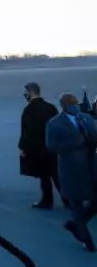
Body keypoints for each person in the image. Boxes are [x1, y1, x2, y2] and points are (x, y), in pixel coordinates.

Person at [45, 93, 97, 252]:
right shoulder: (54, 124)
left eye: (75, 103)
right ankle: (86, 239)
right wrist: (75, 143)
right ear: (63, 106)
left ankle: (75, 224)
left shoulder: (86, 118)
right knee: (76, 204)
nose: (74, 106)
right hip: (70, 170)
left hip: (90, 167)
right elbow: (52, 146)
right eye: (71, 104)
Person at [18, 82, 61, 209]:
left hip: (37, 148)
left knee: (44, 176)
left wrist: (23, 147)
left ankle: (47, 201)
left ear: (30, 92)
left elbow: (27, 131)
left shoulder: (29, 110)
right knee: (56, 175)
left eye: (26, 92)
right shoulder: (51, 107)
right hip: (52, 147)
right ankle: (68, 199)